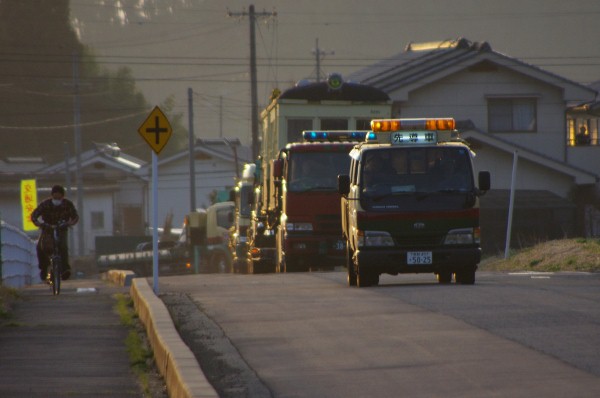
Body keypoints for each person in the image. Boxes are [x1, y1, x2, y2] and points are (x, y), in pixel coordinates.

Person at [31, 185, 79, 282]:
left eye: (59, 197)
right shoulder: (45, 204)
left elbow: (75, 216)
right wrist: (38, 223)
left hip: (61, 229)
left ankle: (65, 269)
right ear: (52, 195)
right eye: (55, 197)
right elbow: (34, 215)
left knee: (63, 246)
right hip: (47, 229)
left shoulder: (67, 204)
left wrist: (70, 223)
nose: (57, 199)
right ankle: (44, 269)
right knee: (40, 247)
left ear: (62, 196)